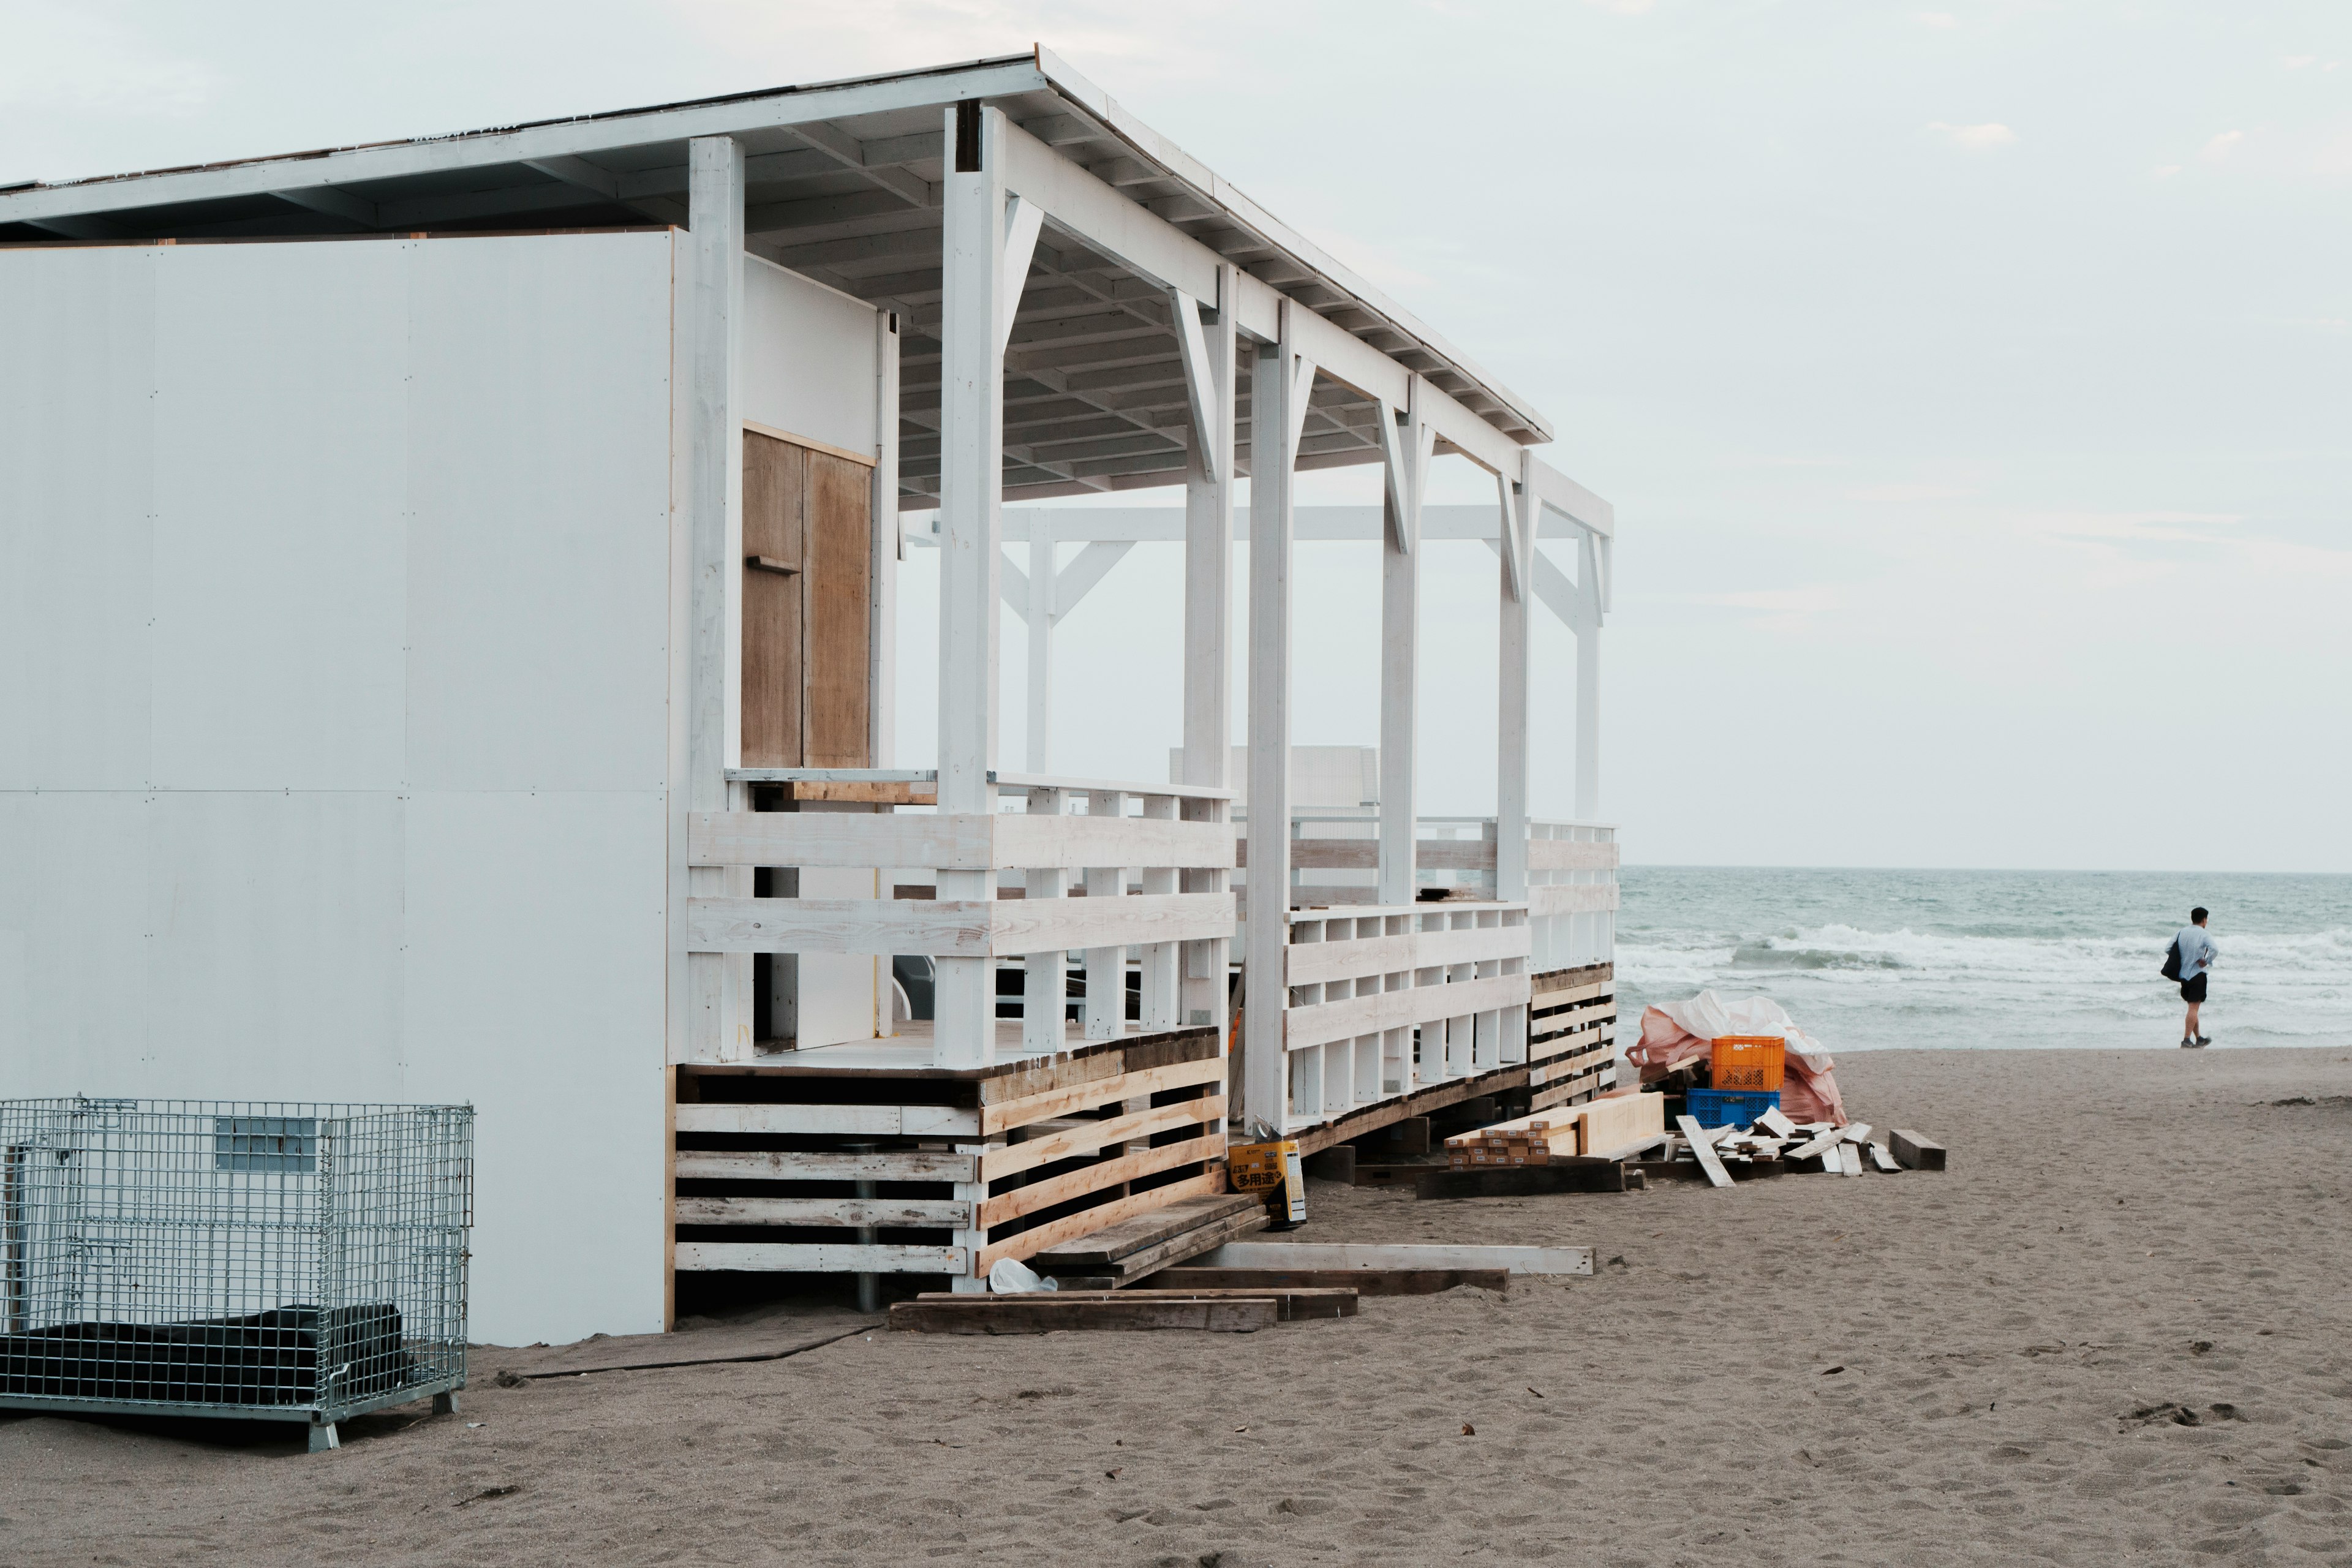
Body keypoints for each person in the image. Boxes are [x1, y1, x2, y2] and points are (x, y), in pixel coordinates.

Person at [2173, 907, 2217, 1048]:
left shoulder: (2182, 932)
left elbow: (2169, 948)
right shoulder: (2204, 934)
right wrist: (2206, 960)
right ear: (2204, 920)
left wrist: (2182, 959)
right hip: (2197, 975)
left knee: (2193, 1008)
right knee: (2193, 1008)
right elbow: (2215, 949)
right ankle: (2186, 1040)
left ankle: (2199, 1039)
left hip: (2184, 976)